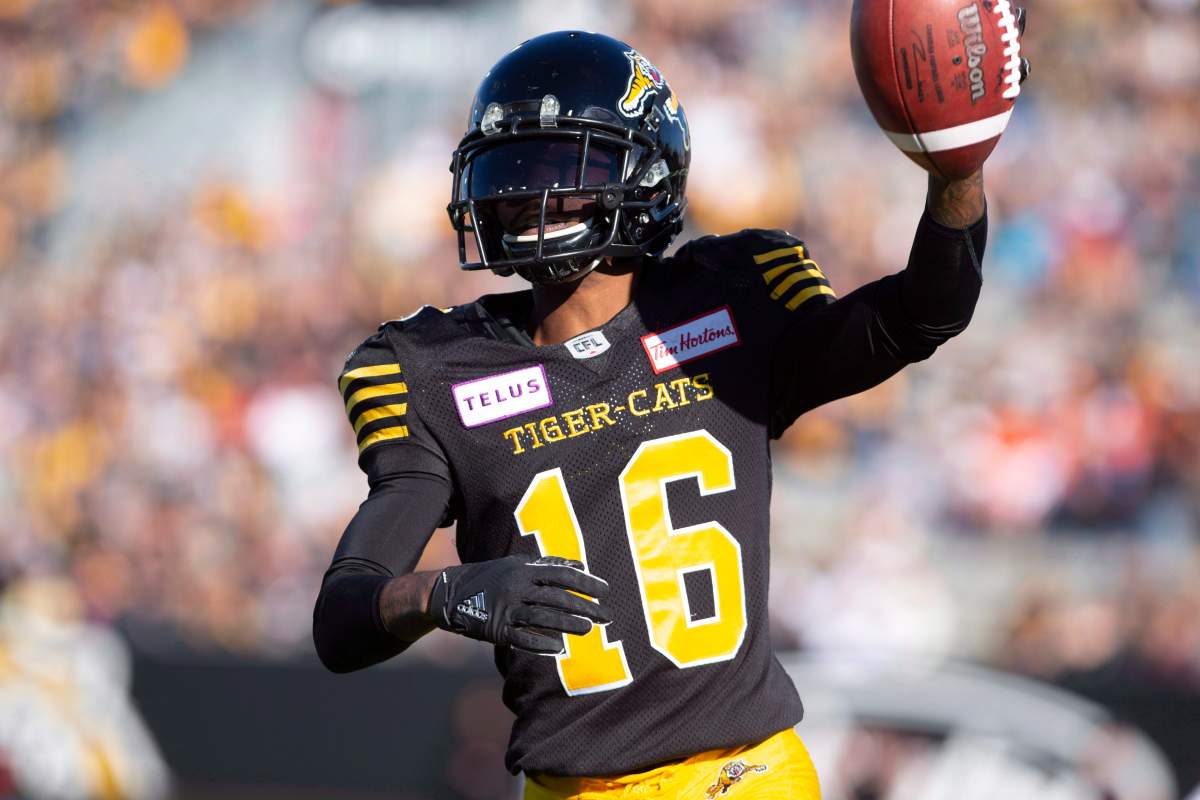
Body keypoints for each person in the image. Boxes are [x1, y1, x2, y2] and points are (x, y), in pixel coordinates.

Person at [313, 29, 1023, 798]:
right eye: (512, 168)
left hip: (740, 776)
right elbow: (343, 618)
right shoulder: (436, 368)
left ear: (645, 170)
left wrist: (958, 171)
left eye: (564, 166)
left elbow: (924, 312)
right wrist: (444, 594)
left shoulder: (734, 295)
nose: (527, 194)